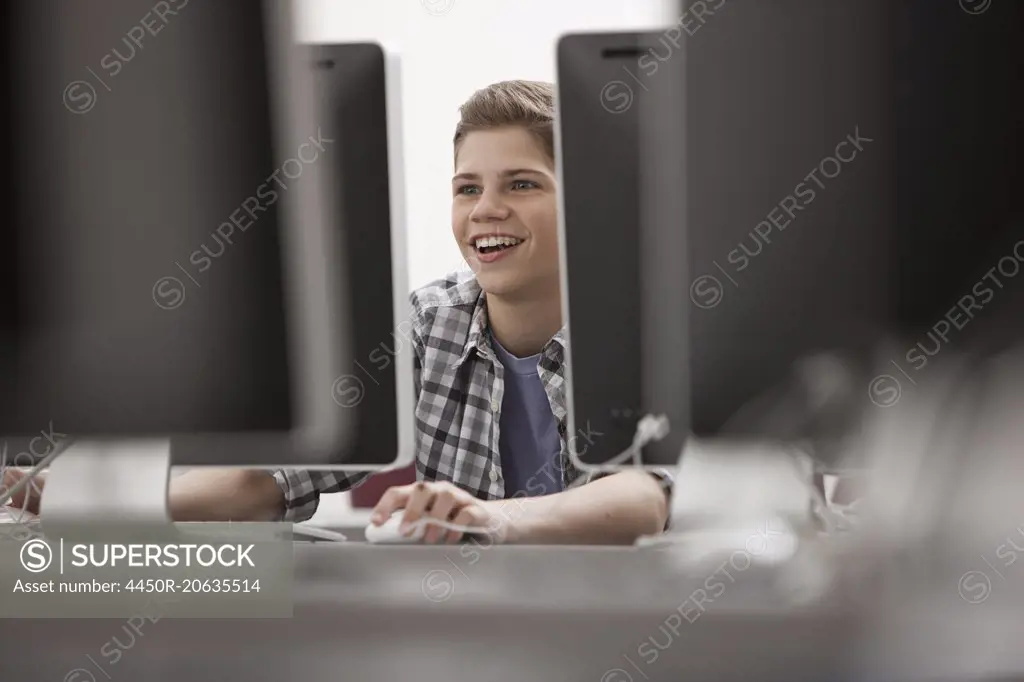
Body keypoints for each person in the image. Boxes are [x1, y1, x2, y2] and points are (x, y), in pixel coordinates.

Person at [3, 81, 671, 545]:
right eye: (467, 187)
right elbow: (267, 482)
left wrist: (494, 521)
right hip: (468, 618)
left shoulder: (635, 334)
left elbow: (643, 496)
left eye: (521, 184)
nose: (484, 209)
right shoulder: (426, 324)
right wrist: (66, 498)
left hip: (610, 621)